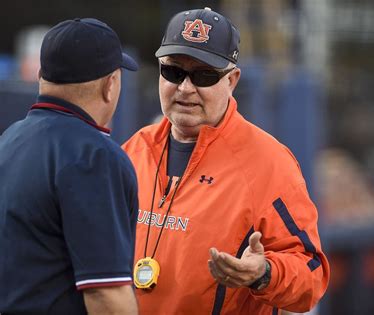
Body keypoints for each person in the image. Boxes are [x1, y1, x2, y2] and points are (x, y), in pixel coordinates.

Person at [122, 7, 330, 314]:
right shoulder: (134, 149)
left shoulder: (268, 162)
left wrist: (264, 275)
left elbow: (311, 276)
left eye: (204, 75)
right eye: (174, 72)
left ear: (231, 81)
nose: (185, 88)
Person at [0, 18, 140, 314]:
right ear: (110, 85)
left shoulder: (10, 139)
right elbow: (107, 296)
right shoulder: (94, 155)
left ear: (41, 76)